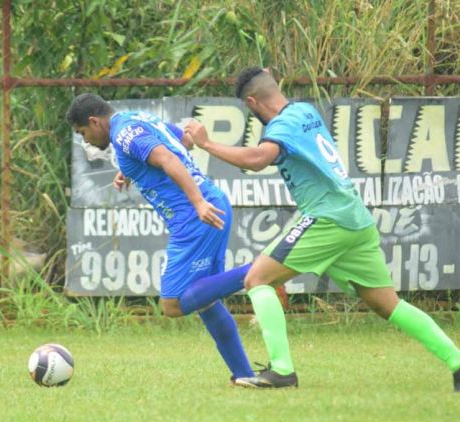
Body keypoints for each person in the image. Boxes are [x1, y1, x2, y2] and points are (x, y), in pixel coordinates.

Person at [184, 66, 460, 391]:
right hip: (354, 218)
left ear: (252, 101)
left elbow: (259, 158)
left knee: (257, 278)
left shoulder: (283, 126)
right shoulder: (303, 110)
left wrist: (207, 144)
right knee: (388, 304)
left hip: (327, 216)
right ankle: (457, 362)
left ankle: (283, 371)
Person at [66, 93, 284, 383]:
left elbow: (168, 157)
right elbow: (183, 140)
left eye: (83, 133)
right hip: (212, 204)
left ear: (94, 122)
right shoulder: (137, 120)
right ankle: (242, 375)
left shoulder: (124, 135)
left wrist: (196, 203)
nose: (86, 141)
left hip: (196, 217)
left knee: (173, 303)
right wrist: (132, 169)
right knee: (205, 301)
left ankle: (264, 269)